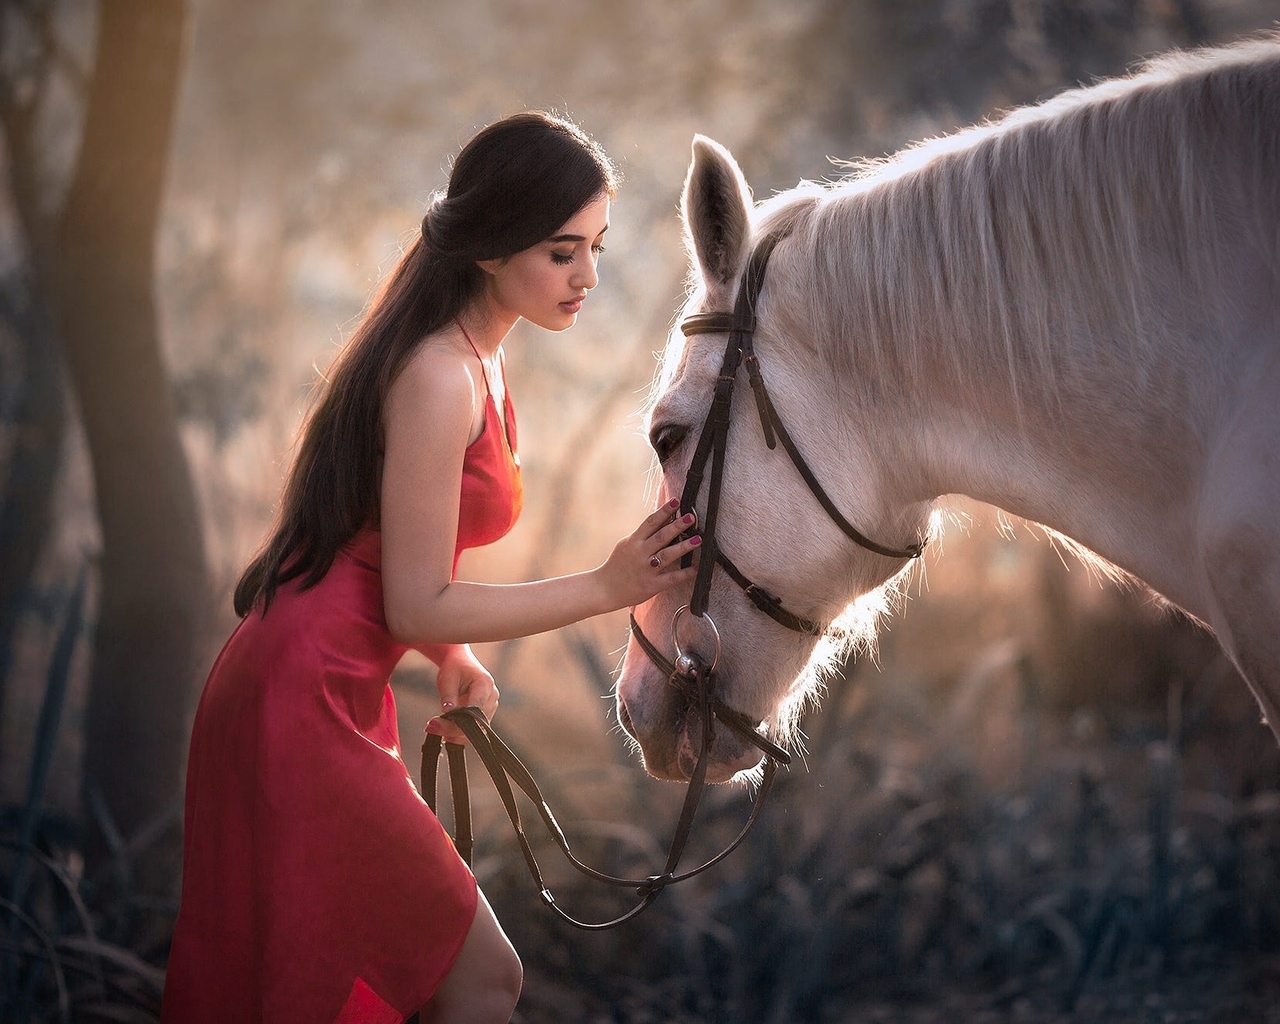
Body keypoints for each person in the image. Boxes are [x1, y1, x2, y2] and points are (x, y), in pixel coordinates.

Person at [160, 111, 701, 1024]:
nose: (589, 277)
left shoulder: (481, 358)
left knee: (375, 980)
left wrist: (452, 658)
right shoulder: (439, 374)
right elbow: (414, 600)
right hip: (300, 698)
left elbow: (394, 562)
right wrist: (608, 588)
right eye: (563, 252)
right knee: (479, 977)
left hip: (328, 684)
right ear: (490, 249)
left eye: (596, 247)